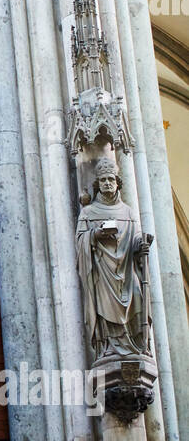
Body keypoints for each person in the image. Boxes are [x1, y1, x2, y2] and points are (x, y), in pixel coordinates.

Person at [75, 155, 152, 362]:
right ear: (97, 184)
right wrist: (95, 235)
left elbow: (135, 237)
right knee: (104, 306)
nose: (107, 183)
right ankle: (109, 347)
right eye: (103, 180)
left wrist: (141, 245)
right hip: (103, 273)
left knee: (137, 292)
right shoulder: (88, 212)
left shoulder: (127, 211)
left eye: (111, 179)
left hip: (126, 271)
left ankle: (136, 345)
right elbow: (80, 242)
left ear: (118, 182)